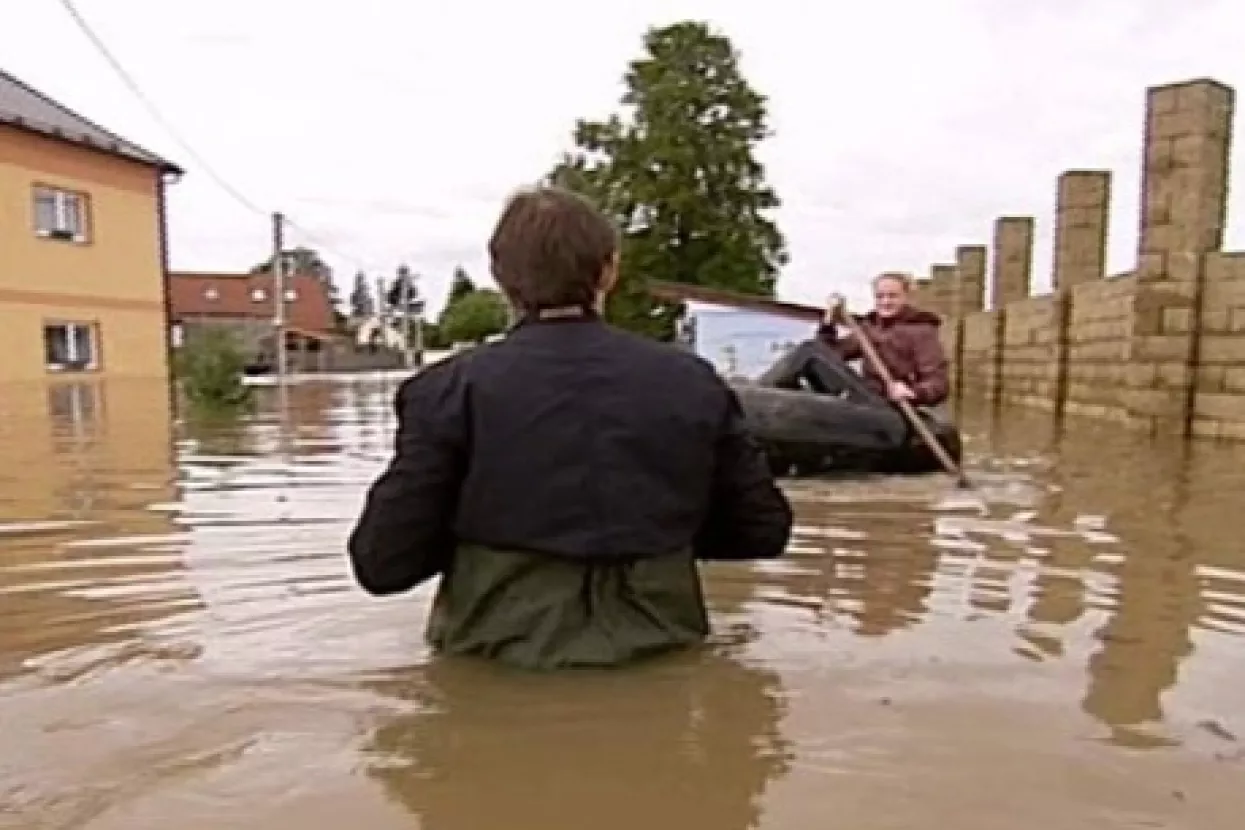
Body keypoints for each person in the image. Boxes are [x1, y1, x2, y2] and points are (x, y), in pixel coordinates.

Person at [347, 186, 793, 671]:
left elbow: (383, 564)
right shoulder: (690, 382)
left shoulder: (445, 390)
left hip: (499, 664)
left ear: (501, 278)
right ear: (609, 271)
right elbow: (762, 531)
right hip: (663, 651)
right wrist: (657, 529)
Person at [818, 272, 950, 409]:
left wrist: (913, 392)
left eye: (892, 296)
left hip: (896, 409)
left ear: (906, 297)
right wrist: (828, 322)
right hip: (866, 399)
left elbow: (938, 384)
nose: (885, 302)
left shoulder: (921, 330)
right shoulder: (869, 328)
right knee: (809, 349)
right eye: (880, 296)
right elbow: (829, 354)